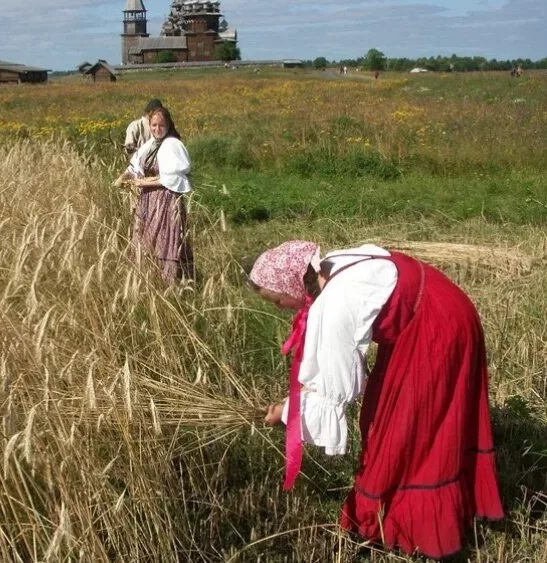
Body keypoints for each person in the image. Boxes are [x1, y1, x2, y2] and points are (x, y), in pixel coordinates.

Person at [249, 241, 504, 559]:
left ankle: (417, 529)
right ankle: (396, 513)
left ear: (291, 284)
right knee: (385, 416)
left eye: (276, 299)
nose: (279, 307)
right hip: (437, 313)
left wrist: (288, 414)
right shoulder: (331, 267)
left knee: (412, 427)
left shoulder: (335, 302)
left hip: (437, 329)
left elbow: (336, 390)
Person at [114, 107, 193, 283]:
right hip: (148, 201)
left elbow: (171, 178)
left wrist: (142, 183)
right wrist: (122, 178)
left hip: (166, 201)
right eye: (154, 125)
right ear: (149, 125)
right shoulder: (150, 145)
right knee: (146, 239)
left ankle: (169, 283)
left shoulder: (172, 145)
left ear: (169, 125)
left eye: (162, 125)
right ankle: (148, 280)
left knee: (165, 241)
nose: (158, 129)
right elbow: (135, 166)